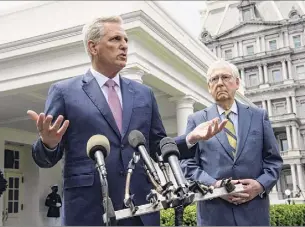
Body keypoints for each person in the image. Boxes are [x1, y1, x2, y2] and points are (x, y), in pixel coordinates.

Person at [27, 16, 226, 226]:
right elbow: (45, 159)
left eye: (126, 40)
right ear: (93, 47)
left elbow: (156, 147)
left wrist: (191, 138)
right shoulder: (65, 92)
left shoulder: (144, 94)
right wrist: (49, 144)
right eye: (115, 39)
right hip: (88, 211)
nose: (124, 45)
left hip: (141, 209)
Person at [180, 59, 283, 226]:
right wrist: (215, 186)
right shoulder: (196, 120)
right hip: (214, 215)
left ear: (237, 83)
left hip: (254, 214)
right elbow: (188, 165)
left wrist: (260, 185)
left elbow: (273, 161)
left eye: (225, 77)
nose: (220, 83)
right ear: (209, 87)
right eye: (214, 79)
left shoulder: (258, 116)